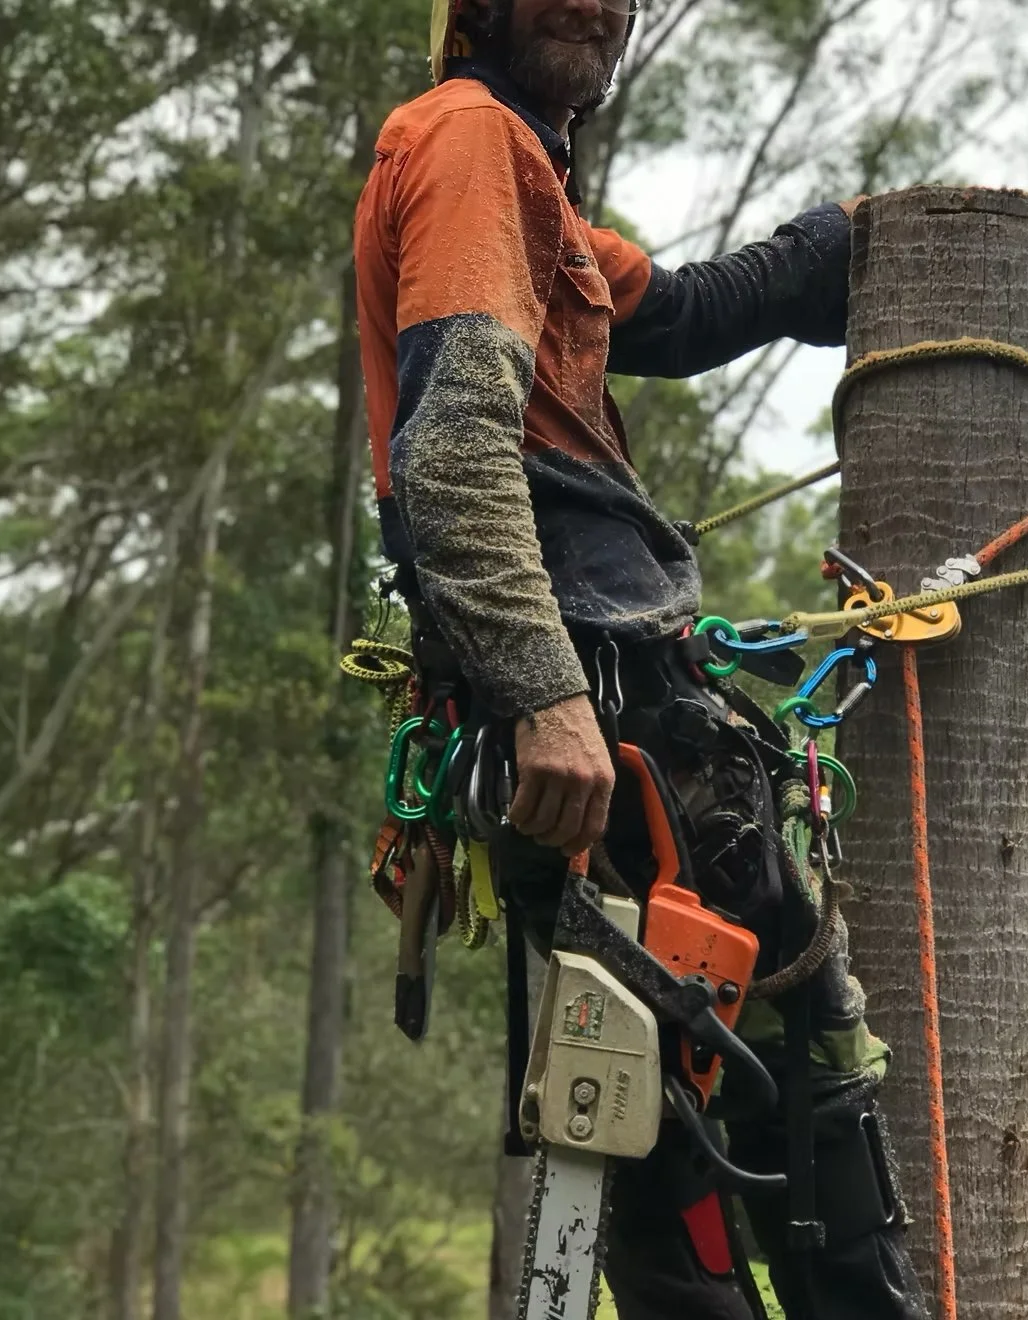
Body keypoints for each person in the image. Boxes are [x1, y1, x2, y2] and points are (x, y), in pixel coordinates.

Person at [354, 1, 929, 1316]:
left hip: (598, 713)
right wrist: (551, 699)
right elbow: (449, 455)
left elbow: (678, 315)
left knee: (651, 1119)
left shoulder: (524, 184)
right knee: (789, 1054)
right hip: (600, 704)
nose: (593, 5)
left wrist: (839, 244)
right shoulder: (469, 139)